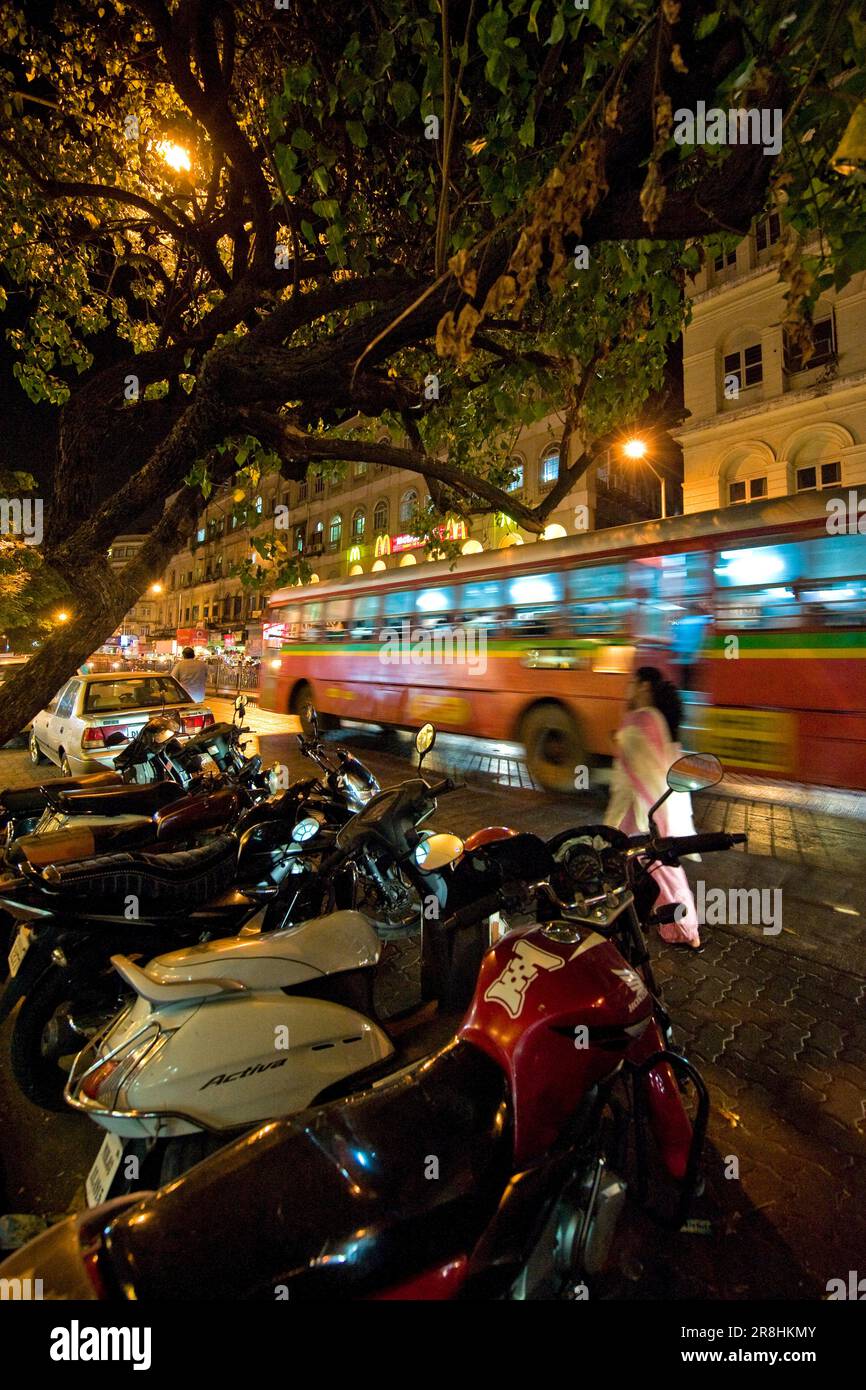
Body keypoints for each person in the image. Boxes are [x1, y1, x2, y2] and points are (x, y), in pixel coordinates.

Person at [605, 665, 701, 949]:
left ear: (644, 686)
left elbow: (635, 766)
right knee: (651, 867)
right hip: (656, 806)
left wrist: (620, 741)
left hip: (640, 811)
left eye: (632, 684)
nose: (628, 690)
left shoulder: (639, 720)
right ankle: (651, 922)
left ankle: (685, 929)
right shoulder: (658, 718)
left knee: (655, 867)